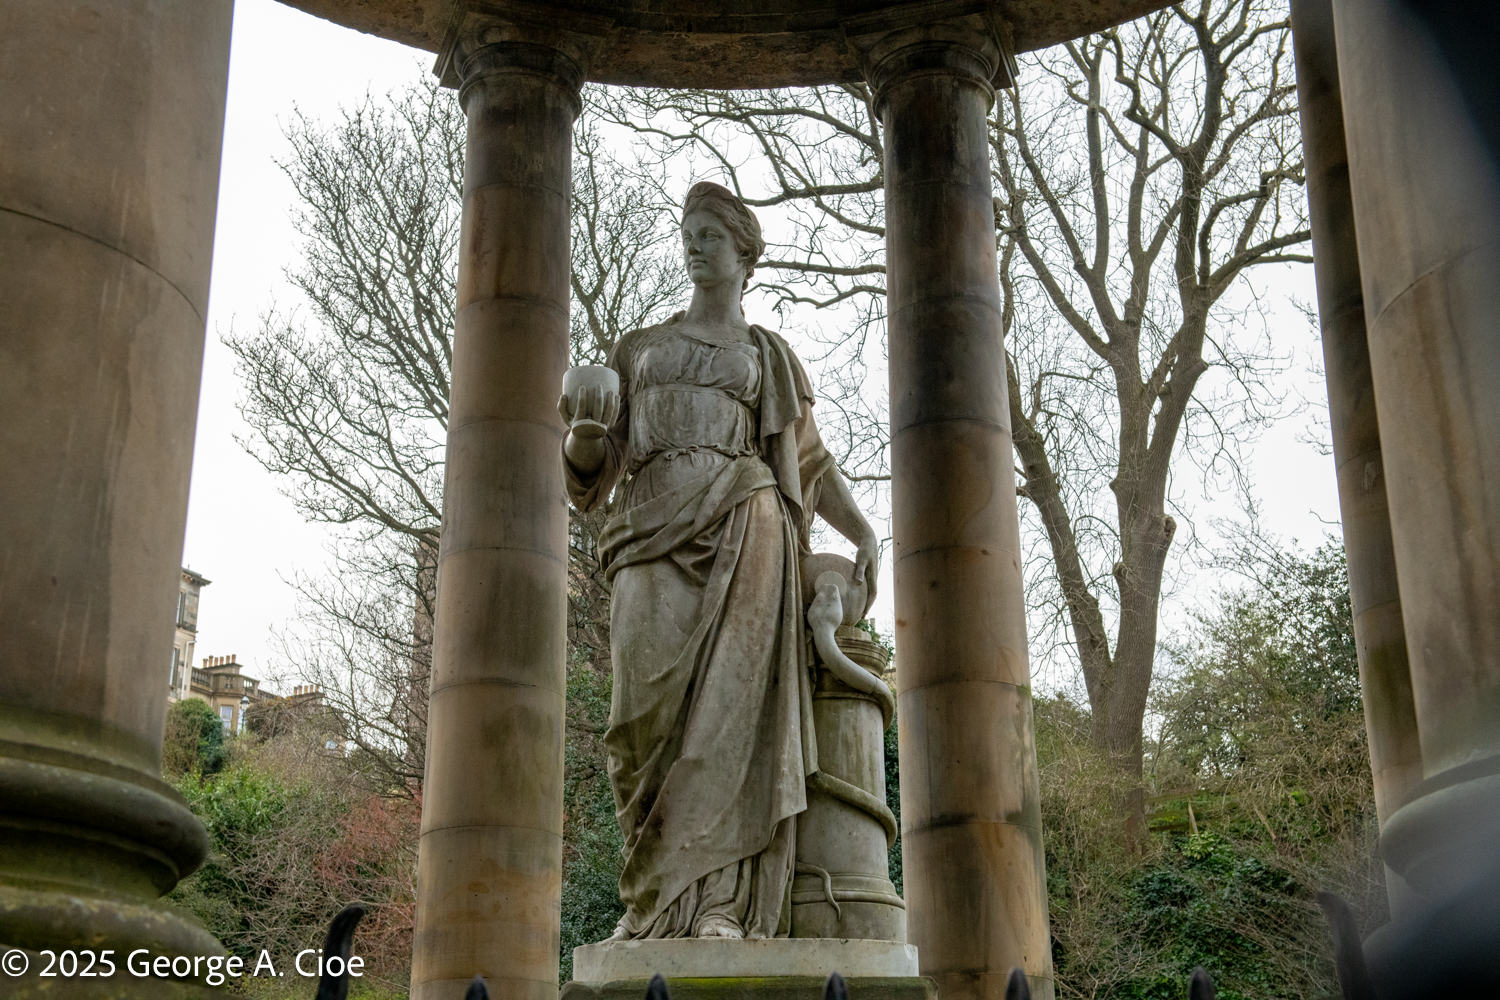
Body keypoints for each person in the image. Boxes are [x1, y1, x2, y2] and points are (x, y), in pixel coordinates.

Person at [560, 181, 879, 941]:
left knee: (733, 725)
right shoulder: (639, 350)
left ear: (744, 253)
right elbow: (591, 476)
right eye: (688, 233)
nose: (694, 245)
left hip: (747, 531)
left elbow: (810, 461)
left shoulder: (767, 354)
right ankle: (649, 905)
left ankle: (720, 907)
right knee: (639, 725)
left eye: (710, 234)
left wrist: (863, 532)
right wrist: (581, 436)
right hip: (647, 536)